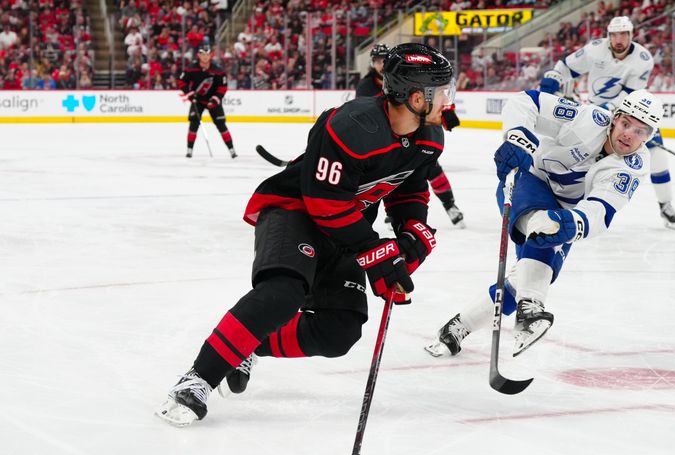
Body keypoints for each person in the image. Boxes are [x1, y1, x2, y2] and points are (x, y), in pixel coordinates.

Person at [157, 43, 455, 426]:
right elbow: (324, 201)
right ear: (417, 97)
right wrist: (374, 251)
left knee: (338, 332)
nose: (448, 100)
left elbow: (408, 188)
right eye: (443, 90)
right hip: (295, 209)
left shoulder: (429, 138)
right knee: (284, 292)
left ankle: (246, 345)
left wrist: (410, 236)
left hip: (348, 225)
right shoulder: (352, 125)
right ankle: (198, 378)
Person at [425, 88, 663, 358]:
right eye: (626, 123)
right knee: (545, 232)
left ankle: (456, 328)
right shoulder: (588, 119)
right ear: (615, 118)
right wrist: (517, 138)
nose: (629, 134)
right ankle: (532, 308)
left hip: (564, 212)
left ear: (649, 137)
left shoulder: (633, 164)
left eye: (641, 131)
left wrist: (575, 222)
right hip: (527, 181)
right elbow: (527, 101)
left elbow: (602, 208)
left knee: (520, 283)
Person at [552, 16, 675, 230]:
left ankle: (666, 206)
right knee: (586, 156)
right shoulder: (595, 49)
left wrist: (606, 110)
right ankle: (573, 205)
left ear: (631, 35)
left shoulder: (642, 58)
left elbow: (629, 95)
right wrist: (553, 78)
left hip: (632, 113)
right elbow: (565, 66)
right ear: (608, 36)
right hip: (597, 111)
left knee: (659, 156)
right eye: (614, 34)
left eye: (624, 34)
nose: (619, 39)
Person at [358, 43, 466, 228]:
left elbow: (430, 99)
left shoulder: (408, 76)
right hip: (387, 139)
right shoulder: (367, 85)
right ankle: (394, 210)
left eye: (384, 59)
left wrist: (446, 114)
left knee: (430, 167)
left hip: (415, 135)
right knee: (384, 172)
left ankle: (450, 205)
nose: (381, 64)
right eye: (377, 61)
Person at [178, 37, 237, 159]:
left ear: (211, 55)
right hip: (197, 100)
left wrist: (215, 98)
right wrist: (190, 94)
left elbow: (222, 87)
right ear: (198, 55)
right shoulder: (191, 68)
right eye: (202, 54)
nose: (205, 57)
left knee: (221, 124)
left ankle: (232, 150)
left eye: (207, 54)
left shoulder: (218, 71)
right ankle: (189, 150)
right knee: (193, 124)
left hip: (213, 101)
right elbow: (182, 82)